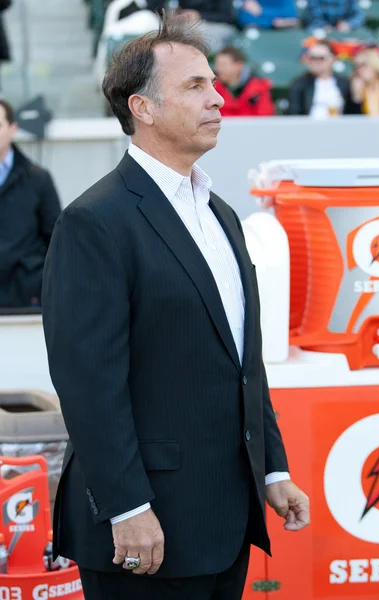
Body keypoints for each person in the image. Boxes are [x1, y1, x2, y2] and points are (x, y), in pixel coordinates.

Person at [42, 14, 309, 600]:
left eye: (214, 83)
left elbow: (244, 358)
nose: (218, 98)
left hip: (226, 519)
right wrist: (126, 505)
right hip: (144, 528)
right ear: (144, 108)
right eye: (195, 86)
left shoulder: (222, 215)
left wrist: (273, 469)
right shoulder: (94, 221)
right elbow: (88, 382)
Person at [0, 100, 61, 309]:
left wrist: (40, 287)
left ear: (12, 129)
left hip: (26, 299)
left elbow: (56, 240)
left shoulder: (38, 179)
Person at [288, 40, 361, 117]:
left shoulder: (344, 83)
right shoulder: (300, 84)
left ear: (332, 59)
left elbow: (353, 115)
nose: (315, 61)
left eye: (321, 58)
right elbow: (294, 114)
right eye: (312, 58)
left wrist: (357, 96)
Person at [214, 46, 275, 116]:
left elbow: (265, 117)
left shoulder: (259, 90)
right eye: (217, 64)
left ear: (239, 65)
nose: (218, 69)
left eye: (223, 64)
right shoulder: (213, 88)